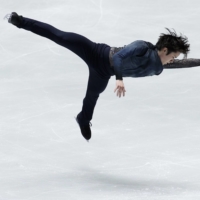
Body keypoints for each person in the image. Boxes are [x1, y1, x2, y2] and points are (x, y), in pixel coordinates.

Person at [4, 12, 194, 141]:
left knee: (92, 97)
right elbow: (119, 58)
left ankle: (83, 119)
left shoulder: (160, 65)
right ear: (165, 49)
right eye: (173, 56)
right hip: (95, 52)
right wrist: (119, 78)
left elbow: (187, 63)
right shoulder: (142, 46)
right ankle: (20, 21)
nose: (173, 60)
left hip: (103, 72)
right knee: (60, 37)